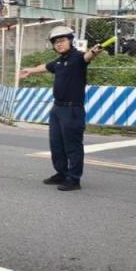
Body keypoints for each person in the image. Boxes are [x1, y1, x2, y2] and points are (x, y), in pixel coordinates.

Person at [19, 26, 103, 192]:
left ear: (70, 41)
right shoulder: (58, 61)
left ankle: (74, 179)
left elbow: (88, 56)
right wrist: (30, 70)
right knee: (56, 144)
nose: (59, 44)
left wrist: (94, 51)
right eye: (56, 42)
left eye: (62, 40)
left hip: (72, 110)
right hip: (57, 109)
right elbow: (45, 66)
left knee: (72, 146)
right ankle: (61, 173)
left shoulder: (78, 58)